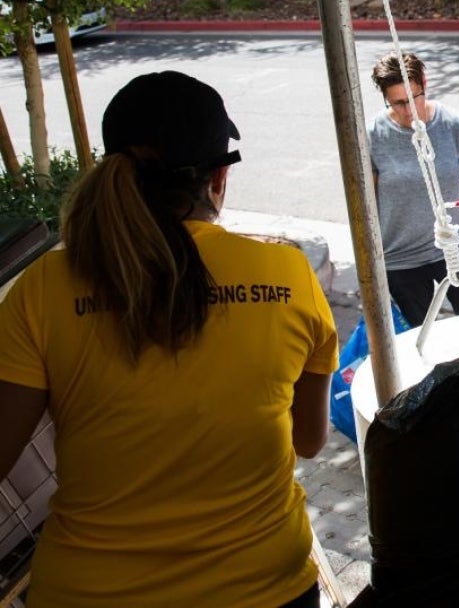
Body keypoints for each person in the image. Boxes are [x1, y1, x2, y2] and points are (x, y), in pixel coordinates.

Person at [0, 71, 338, 606]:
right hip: (264, 588)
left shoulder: (43, 287)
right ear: (218, 180)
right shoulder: (289, 276)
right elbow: (310, 441)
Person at [369, 51, 459, 326]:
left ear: (424, 83)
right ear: (386, 99)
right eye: (398, 103)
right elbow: (366, 206)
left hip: (456, 247)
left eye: (414, 98)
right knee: (425, 346)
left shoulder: (451, 123)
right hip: (401, 260)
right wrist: (371, 268)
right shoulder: (374, 135)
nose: (409, 111)